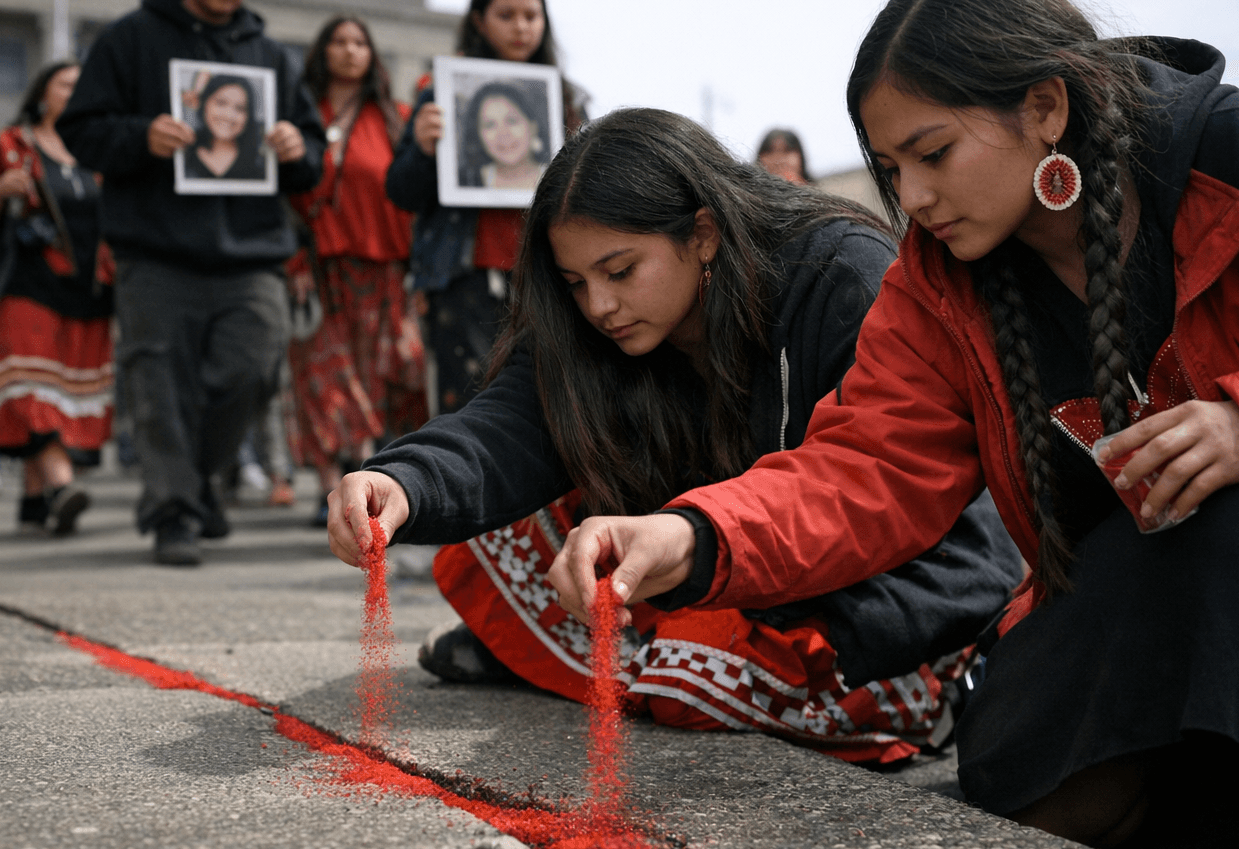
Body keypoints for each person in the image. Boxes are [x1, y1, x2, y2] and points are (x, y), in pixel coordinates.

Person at [544, 0, 1239, 849]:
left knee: (1238, 531)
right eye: (892, 168)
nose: (914, 199)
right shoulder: (940, 283)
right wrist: (687, 536)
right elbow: (866, 465)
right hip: (1133, 585)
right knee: (1011, 762)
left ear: (1045, 108)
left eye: (933, 155)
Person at [330, 108, 1022, 764]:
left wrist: (697, 542)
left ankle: (597, 655)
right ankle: (618, 651)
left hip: (868, 588)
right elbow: (511, 423)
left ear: (703, 234)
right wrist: (402, 482)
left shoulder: (838, 276)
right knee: (498, 533)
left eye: (620, 271)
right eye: (575, 283)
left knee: (690, 669)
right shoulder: (595, 326)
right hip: (710, 551)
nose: (600, 306)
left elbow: (864, 487)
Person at [57, 0, 325, 566]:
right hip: (156, 252)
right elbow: (80, 129)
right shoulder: (131, 38)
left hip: (251, 254)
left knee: (253, 366)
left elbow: (312, 155)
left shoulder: (269, 56)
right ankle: (173, 513)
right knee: (161, 386)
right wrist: (140, 137)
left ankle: (198, 480)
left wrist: (298, 148)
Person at [386, 0, 588, 414]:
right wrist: (422, 149)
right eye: (506, 15)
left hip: (545, 271)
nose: (521, 27)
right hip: (464, 274)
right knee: (471, 402)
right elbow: (401, 191)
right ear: (479, 21)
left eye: (531, 16)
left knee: (548, 396)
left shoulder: (566, 100)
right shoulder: (440, 93)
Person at [0, 61, 114, 536]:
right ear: (42, 94)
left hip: (89, 291)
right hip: (27, 284)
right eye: (67, 84)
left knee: (69, 395)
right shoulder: (11, 145)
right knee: (29, 384)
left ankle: (35, 501)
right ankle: (62, 484)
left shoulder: (101, 151)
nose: (77, 91)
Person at [287, 15, 426, 524]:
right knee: (321, 374)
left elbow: (414, 193)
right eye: (339, 41)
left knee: (381, 375)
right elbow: (285, 196)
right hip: (319, 268)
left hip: (385, 269)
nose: (349, 50)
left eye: (360, 42)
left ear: (372, 55)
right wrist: (293, 261)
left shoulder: (396, 118)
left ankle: (366, 481)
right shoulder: (301, 117)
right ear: (322, 51)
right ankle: (330, 488)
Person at [461, 81, 550, 190]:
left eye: (512, 121)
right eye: (490, 125)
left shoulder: (559, 179)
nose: (503, 134)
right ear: (478, 135)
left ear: (533, 127)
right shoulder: (467, 181)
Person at [182, 73, 266, 180]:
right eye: (221, 103)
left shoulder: (261, 162)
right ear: (205, 103)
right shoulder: (184, 151)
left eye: (240, 108)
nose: (228, 115)